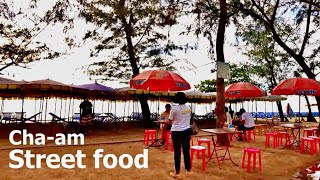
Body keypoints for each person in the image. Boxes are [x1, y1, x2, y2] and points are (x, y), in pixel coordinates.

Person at [169, 92, 192, 179]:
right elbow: (189, 118)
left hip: (176, 131)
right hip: (186, 131)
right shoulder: (188, 107)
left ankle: (177, 172)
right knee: (186, 151)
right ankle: (188, 170)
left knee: (177, 152)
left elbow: (170, 119)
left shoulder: (174, 108)